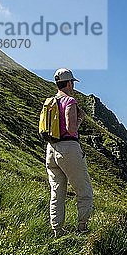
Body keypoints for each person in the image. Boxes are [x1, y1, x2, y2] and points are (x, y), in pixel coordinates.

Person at [45, 68, 93, 238]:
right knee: (84, 190)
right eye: (72, 82)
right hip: (69, 149)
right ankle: (82, 228)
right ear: (69, 83)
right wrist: (80, 119)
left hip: (51, 149)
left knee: (57, 191)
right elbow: (71, 129)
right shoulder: (70, 101)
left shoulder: (49, 102)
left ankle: (57, 230)